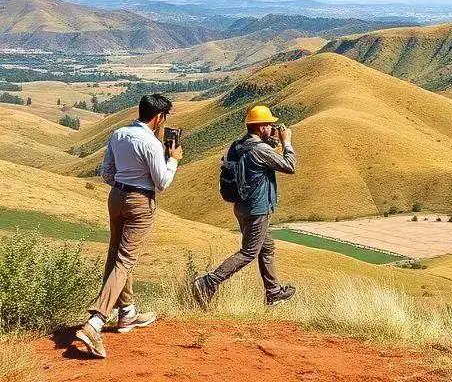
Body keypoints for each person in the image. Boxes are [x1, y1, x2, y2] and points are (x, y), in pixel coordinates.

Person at [76, 94, 182, 359]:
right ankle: (96, 321)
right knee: (125, 260)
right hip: (139, 201)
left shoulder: (119, 134)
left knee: (117, 254)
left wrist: (123, 184)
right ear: (159, 118)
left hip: (116, 196)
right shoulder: (152, 143)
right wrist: (174, 159)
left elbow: (106, 173)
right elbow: (162, 183)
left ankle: (127, 313)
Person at [191, 105, 298, 307]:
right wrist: (287, 143)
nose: (272, 127)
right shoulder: (260, 150)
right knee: (249, 252)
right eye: (269, 124)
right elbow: (289, 166)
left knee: (266, 247)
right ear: (261, 127)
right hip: (257, 209)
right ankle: (208, 283)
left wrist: (272, 141)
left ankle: (273, 292)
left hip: (241, 206)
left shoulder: (237, 145)